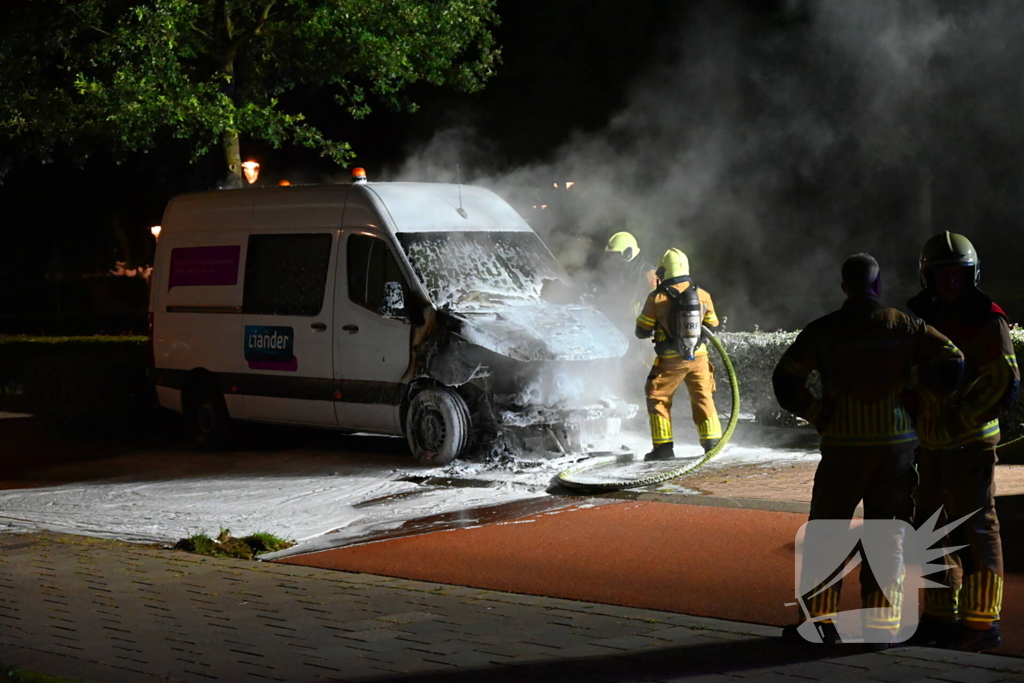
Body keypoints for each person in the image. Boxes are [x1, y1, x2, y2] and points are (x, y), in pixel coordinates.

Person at [773, 254, 963, 646]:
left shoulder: (824, 330)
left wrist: (816, 413)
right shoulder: (906, 326)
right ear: (877, 286)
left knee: (827, 532)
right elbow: (953, 360)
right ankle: (882, 624)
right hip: (894, 448)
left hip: (842, 447)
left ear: (845, 287)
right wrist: (921, 398)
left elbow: (785, 379)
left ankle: (819, 624)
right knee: (887, 532)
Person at [906, 232, 1019, 651]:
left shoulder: (988, 319)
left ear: (971, 276)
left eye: (957, 275)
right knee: (932, 529)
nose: (950, 283)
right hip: (932, 445)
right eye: (942, 276)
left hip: (970, 444)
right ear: (927, 278)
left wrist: (958, 419)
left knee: (976, 528)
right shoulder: (922, 318)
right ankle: (939, 616)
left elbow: (1005, 383)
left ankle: (981, 622)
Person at [635, 248, 723, 459]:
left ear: (664, 270)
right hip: (699, 358)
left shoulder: (656, 298)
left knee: (658, 397)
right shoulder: (702, 295)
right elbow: (713, 326)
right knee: (703, 397)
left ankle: (663, 449)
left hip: (670, 360)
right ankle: (712, 444)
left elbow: (642, 331)